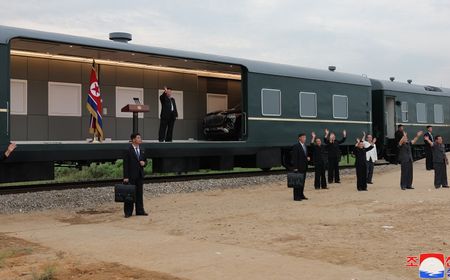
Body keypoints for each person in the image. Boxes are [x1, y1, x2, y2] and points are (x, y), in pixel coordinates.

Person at [123, 133, 148, 218]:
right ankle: (128, 212)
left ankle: (140, 211)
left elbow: (145, 161)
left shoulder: (142, 149)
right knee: (129, 194)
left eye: (140, 137)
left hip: (139, 175)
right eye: (138, 138)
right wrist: (125, 177)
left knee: (139, 194)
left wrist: (144, 163)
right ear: (133, 140)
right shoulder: (128, 150)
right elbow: (125, 165)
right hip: (131, 176)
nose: (140, 139)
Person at [292, 133, 309, 201]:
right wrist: (295, 167)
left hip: (304, 167)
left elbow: (304, 156)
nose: (305, 138)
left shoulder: (304, 146)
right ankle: (296, 197)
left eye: (305, 137)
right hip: (298, 167)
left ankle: (301, 195)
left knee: (302, 182)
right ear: (299, 138)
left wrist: (307, 158)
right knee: (297, 182)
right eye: (303, 137)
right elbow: (294, 157)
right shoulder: (296, 146)